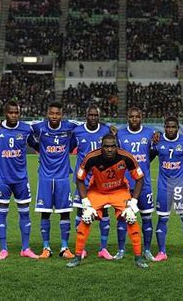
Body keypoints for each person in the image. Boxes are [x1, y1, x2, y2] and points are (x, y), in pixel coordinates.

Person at [66, 134, 148, 268]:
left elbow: (139, 178)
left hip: (119, 191)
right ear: (101, 147)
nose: (110, 149)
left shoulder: (126, 157)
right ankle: (77, 256)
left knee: (131, 217)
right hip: (97, 191)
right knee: (86, 217)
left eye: (112, 146)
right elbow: (79, 179)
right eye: (106, 146)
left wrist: (133, 202)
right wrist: (86, 202)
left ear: (117, 146)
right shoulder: (91, 157)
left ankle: (138, 257)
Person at [0, 100, 39, 260]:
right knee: (2, 214)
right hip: (3, 179)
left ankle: (25, 248)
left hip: (21, 179)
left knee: (25, 213)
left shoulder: (26, 129)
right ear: (5, 113)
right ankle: (3, 249)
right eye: (11, 112)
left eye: (16, 112)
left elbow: (37, 145)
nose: (13, 115)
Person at [32, 102, 78, 259]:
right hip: (45, 177)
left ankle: (65, 248)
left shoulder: (69, 126)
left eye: (57, 114)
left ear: (62, 114)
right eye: (51, 113)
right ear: (47, 113)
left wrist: (108, 126)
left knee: (65, 212)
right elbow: (22, 128)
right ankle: (46, 248)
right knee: (45, 213)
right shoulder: (39, 127)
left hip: (63, 177)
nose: (54, 116)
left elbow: (88, 126)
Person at [151, 116, 183, 263]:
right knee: (162, 219)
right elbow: (148, 159)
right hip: (164, 187)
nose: (170, 129)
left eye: (173, 127)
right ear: (164, 127)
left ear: (177, 127)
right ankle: (162, 252)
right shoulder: (158, 141)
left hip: (181, 186)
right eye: (168, 127)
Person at [115, 107, 157, 261]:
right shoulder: (120, 134)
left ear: (142, 117)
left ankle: (147, 250)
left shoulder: (150, 134)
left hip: (144, 184)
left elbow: (151, 154)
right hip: (124, 184)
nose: (134, 119)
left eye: (137, 116)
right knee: (121, 218)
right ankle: (121, 250)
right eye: (131, 117)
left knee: (146, 217)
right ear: (127, 118)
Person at [72, 106, 112, 259]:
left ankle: (103, 248)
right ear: (86, 116)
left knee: (105, 213)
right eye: (91, 115)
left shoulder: (106, 131)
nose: (93, 118)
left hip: (101, 181)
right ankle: (80, 248)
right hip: (83, 180)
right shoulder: (77, 132)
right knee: (80, 213)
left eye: (96, 115)